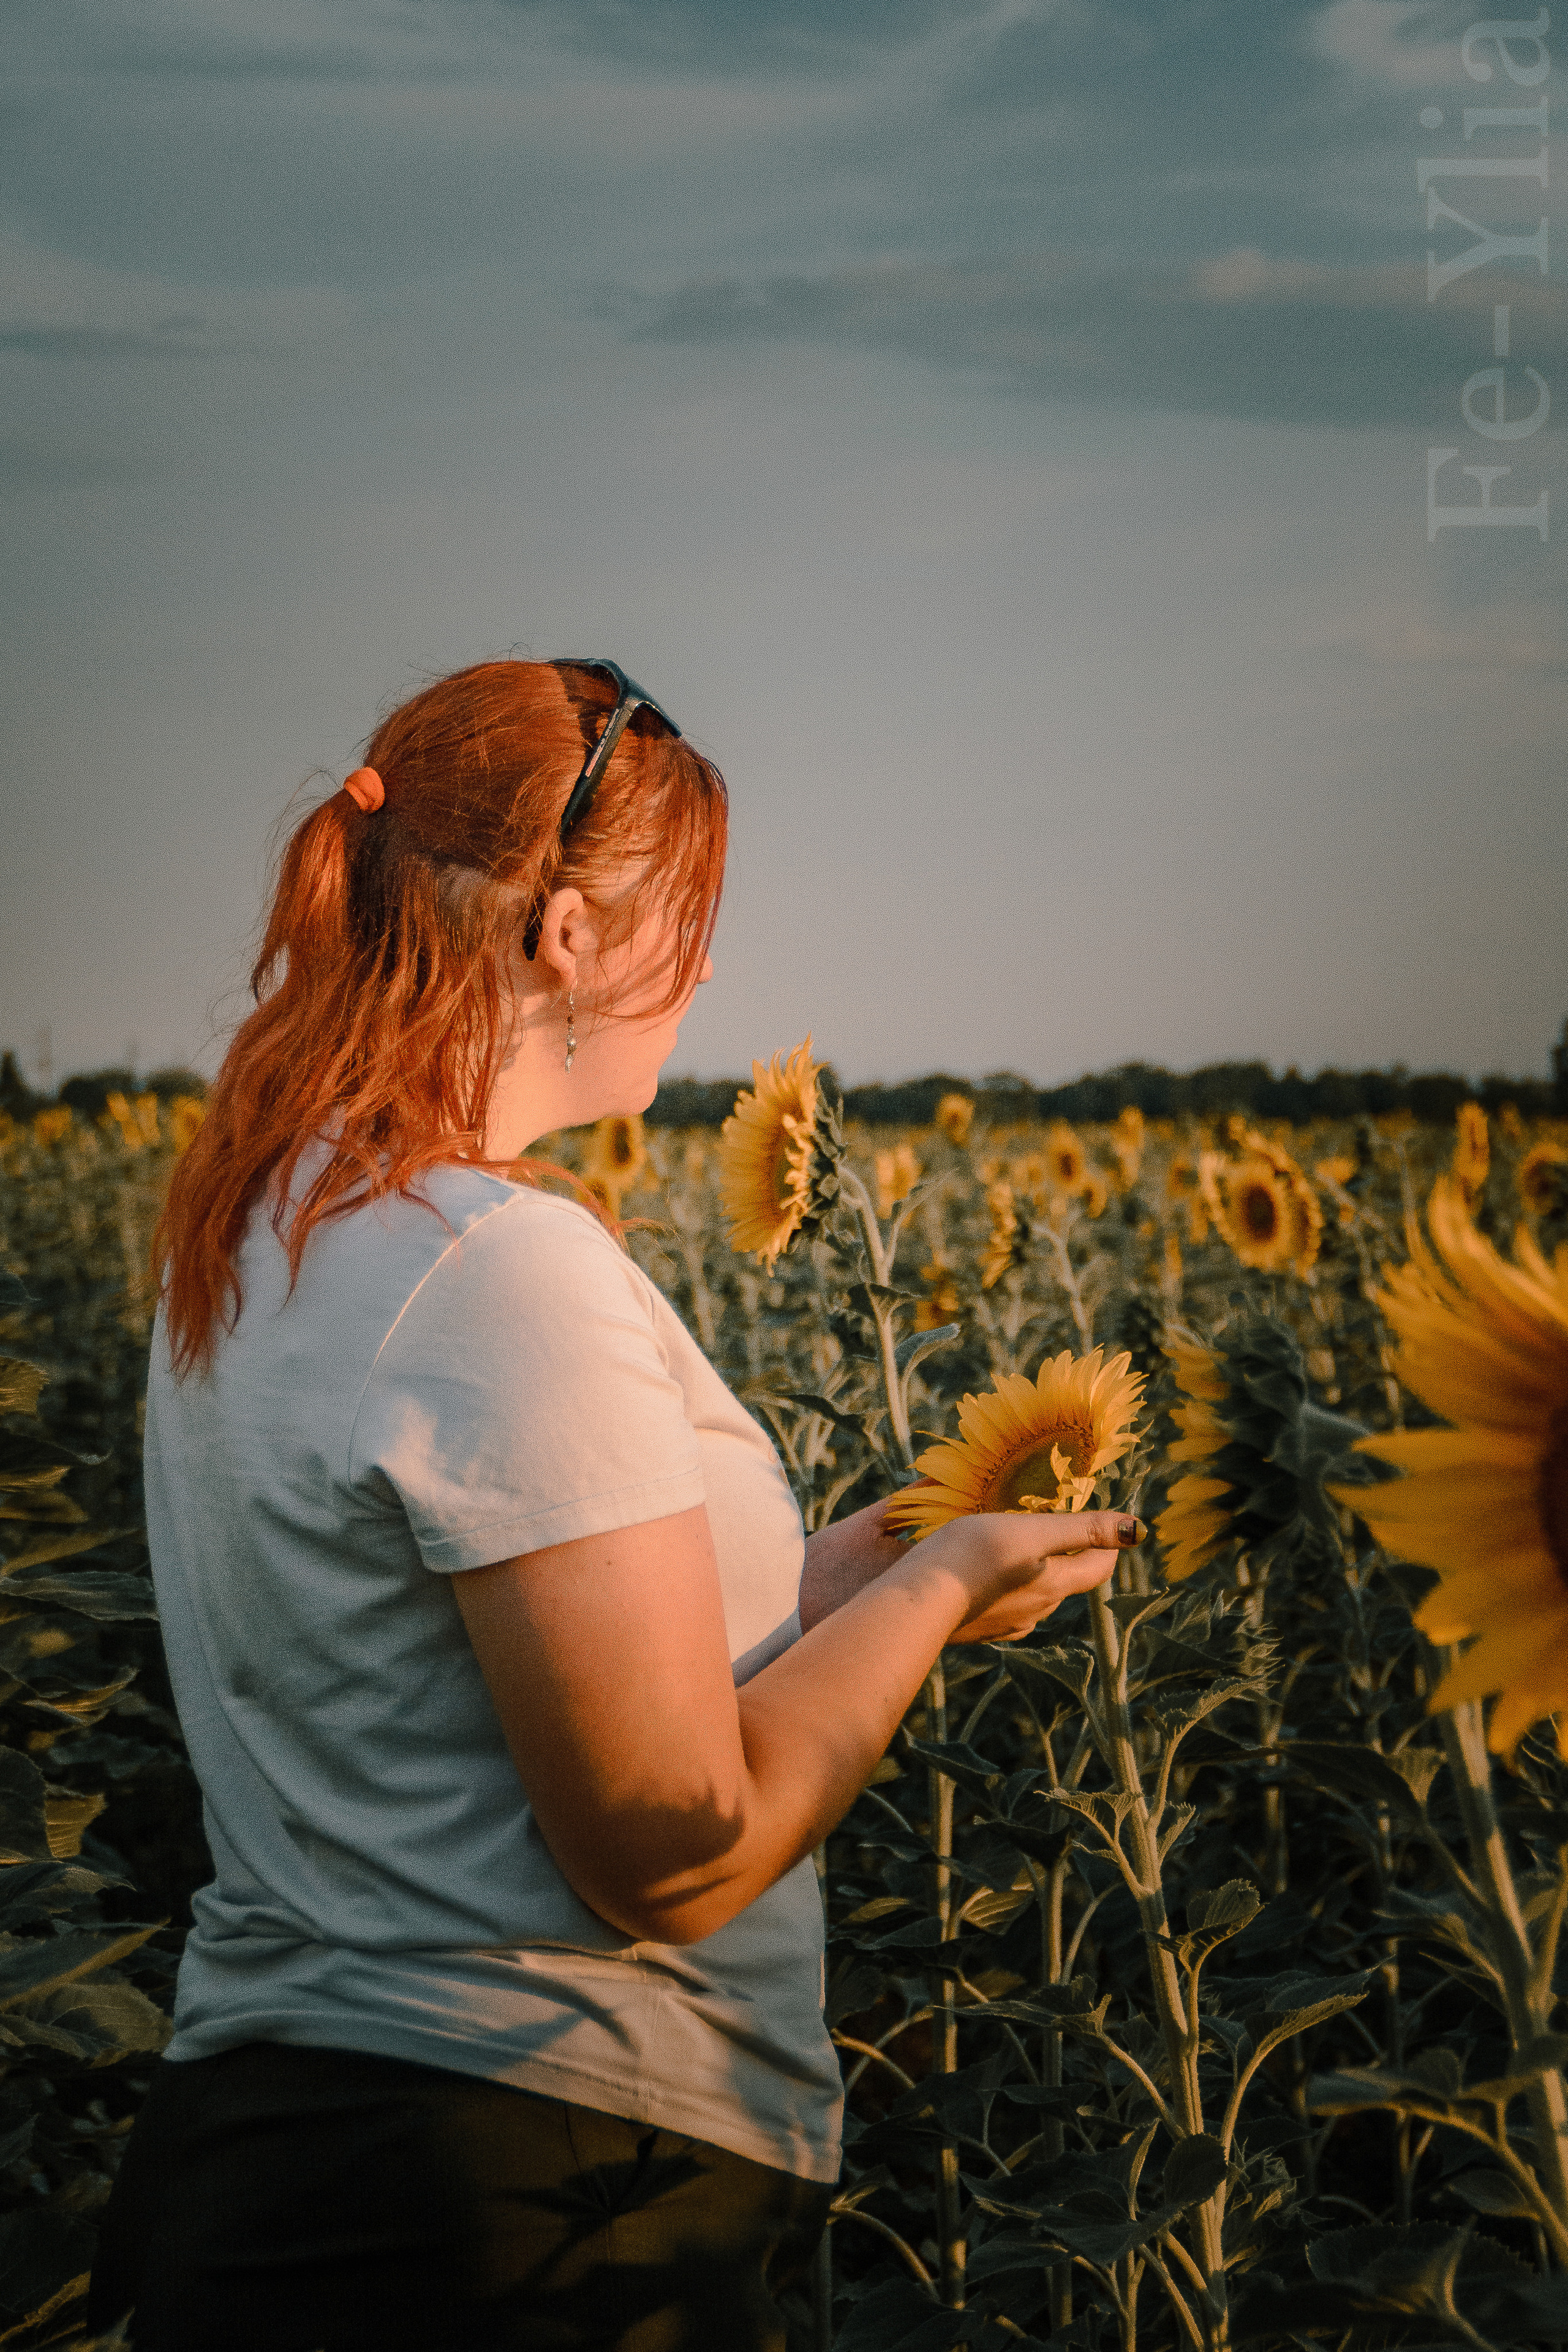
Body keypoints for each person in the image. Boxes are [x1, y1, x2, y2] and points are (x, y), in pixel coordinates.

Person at [88, 656, 1141, 2352]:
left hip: (307, 2158)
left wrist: (824, 1594)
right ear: (566, 933)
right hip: (517, 2199)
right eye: (686, 915)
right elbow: (670, 1846)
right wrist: (934, 1596)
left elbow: (442, 1675)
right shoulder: (495, 1272)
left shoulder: (276, 1231)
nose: (710, 964)